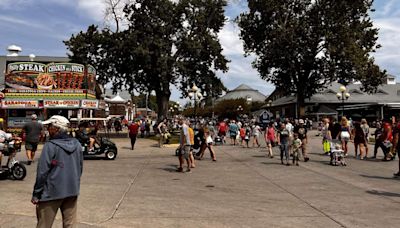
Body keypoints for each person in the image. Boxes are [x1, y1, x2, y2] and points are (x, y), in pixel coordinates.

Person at [31, 115, 83, 228]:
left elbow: (42, 172)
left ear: (56, 128)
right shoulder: (77, 144)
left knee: (44, 224)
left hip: (51, 192)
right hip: (71, 191)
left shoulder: (50, 146)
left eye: (50, 126)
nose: (48, 129)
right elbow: (80, 168)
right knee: (70, 225)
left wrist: (36, 193)